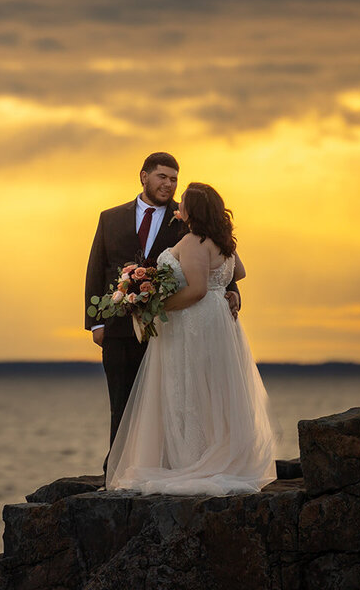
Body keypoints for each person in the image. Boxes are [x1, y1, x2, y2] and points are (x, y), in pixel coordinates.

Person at [104, 182, 276, 495]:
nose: (178, 206)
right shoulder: (223, 241)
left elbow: (196, 290)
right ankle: (205, 452)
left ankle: (191, 460)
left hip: (194, 322)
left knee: (188, 387)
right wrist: (223, 290)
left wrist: (154, 309)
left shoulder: (194, 241)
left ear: (193, 210)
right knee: (210, 388)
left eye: (183, 202)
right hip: (218, 321)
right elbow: (239, 272)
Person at [85, 153, 240, 467]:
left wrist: (232, 289)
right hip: (119, 323)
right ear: (144, 176)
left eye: (174, 180)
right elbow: (96, 268)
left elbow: (215, 261)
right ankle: (115, 470)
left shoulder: (187, 219)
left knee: (167, 398)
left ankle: (162, 464)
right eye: (162, 177)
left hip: (170, 326)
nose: (169, 185)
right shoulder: (110, 217)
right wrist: (95, 323)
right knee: (122, 401)